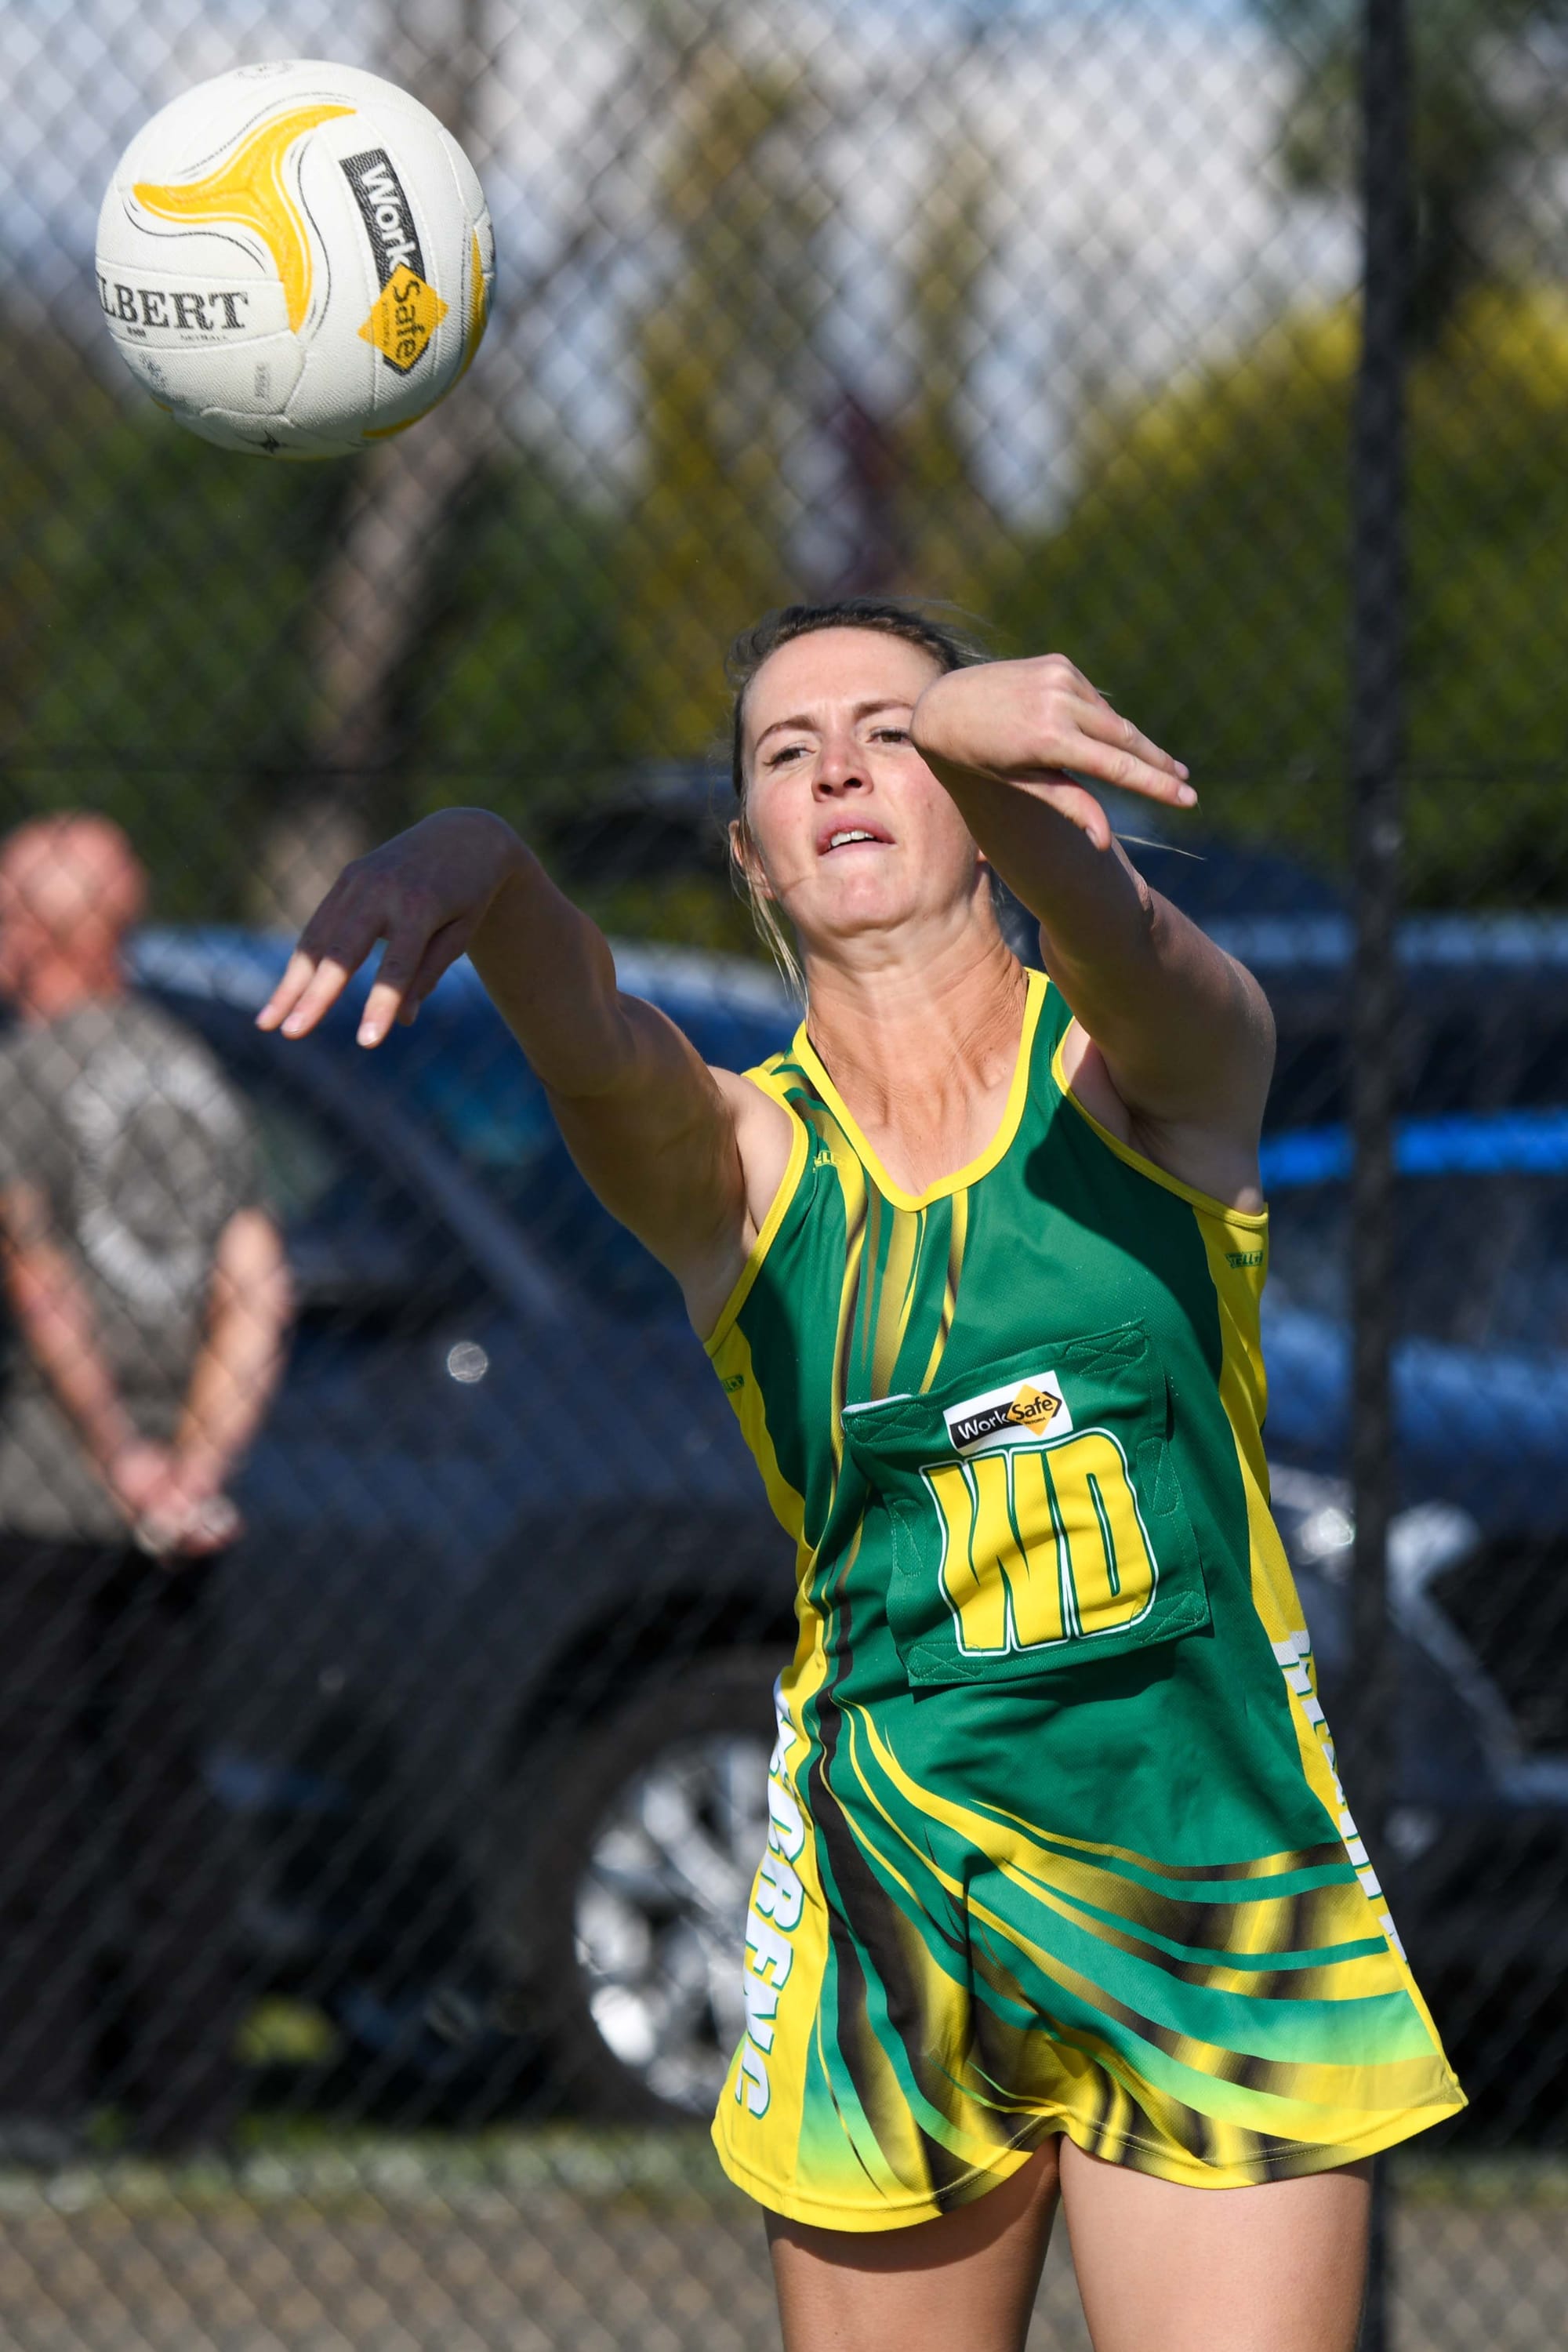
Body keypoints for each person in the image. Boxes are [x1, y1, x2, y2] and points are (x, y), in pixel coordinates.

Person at [260, 601, 1464, 2351]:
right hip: (892, 1906)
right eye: (783, 749)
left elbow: (1124, 936)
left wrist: (997, 764)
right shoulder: (747, 1166)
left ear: (996, 792)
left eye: (891, 732)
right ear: (751, 859)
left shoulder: (1147, 1071)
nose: (835, 764)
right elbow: (597, 1039)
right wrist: (493, 871)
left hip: (1214, 1883)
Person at [0, 815, 292, 2159]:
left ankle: (39, 2098)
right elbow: (257, 1288)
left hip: (47, 1496)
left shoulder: (25, 1080)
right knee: (168, 1799)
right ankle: (192, 2110)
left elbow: (38, 1276)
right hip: (177, 1511)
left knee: (34, 1799)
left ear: (46, 934)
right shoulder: (194, 1075)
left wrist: (116, 1450)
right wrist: (193, 1468)